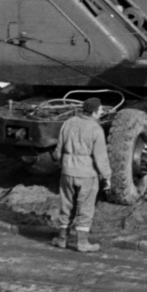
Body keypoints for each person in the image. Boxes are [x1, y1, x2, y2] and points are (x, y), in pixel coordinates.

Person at [54, 97, 110, 252]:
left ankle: (61, 239)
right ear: (94, 112)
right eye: (100, 110)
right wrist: (107, 176)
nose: (102, 112)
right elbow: (101, 157)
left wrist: (62, 163)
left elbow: (58, 150)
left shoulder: (69, 122)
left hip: (67, 171)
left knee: (66, 205)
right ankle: (82, 242)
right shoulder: (96, 129)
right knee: (85, 207)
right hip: (86, 173)